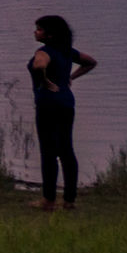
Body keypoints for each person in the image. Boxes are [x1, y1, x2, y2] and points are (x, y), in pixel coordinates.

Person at [28, 15, 99, 210]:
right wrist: (70, 77)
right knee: (66, 150)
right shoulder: (67, 52)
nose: (35, 32)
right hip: (67, 105)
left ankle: (48, 200)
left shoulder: (43, 51)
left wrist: (43, 80)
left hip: (47, 105)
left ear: (50, 34)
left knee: (48, 152)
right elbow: (91, 62)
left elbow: (39, 64)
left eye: (39, 29)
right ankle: (69, 200)